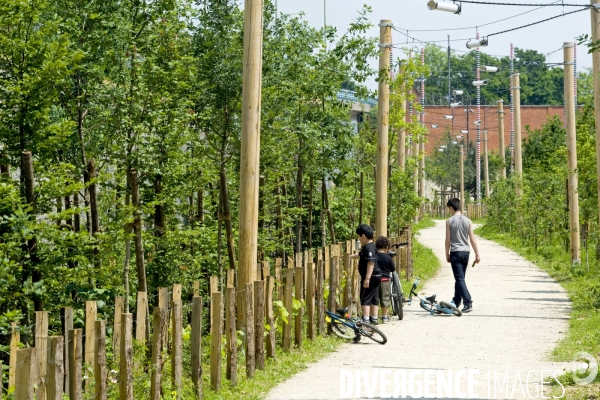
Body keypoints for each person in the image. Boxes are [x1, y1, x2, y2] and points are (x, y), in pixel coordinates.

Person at [445, 198, 481, 313]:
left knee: (459, 278)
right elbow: (472, 239)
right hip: (466, 252)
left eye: (448, 208)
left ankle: (468, 302)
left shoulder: (449, 221)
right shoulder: (468, 221)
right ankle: (456, 301)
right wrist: (477, 254)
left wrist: (446, 253)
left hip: (455, 252)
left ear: (451, 207)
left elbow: (448, 239)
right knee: (460, 278)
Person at [350, 224, 382, 325]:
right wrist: (348, 257)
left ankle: (366, 320)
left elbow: (371, 263)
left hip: (371, 276)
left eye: (359, 237)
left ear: (363, 236)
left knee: (365, 297)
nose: (359, 239)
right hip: (376, 276)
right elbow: (360, 255)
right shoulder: (369, 247)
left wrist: (367, 279)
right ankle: (374, 318)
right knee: (374, 297)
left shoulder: (369, 248)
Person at [375, 236, 396, 323]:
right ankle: (384, 317)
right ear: (387, 247)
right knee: (385, 298)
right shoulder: (388, 258)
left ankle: (374, 317)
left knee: (375, 298)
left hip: (374, 279)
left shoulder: (374, 256)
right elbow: (392, 269)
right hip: (384, 280)